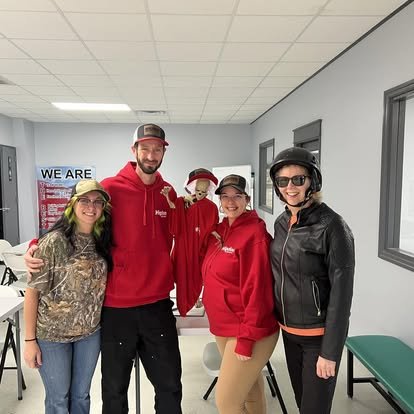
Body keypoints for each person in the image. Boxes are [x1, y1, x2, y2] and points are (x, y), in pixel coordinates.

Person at [24, 124, 182, 414]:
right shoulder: (110, 188)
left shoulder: (167, 193)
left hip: (157, 305)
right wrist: (37, 244)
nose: (151, 155)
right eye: (145, 148)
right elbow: (74, 219)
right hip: (116, 308)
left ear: (163, 152)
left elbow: (188, 233)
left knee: (170, 386)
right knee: (113, 390)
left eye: (157, 149)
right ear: (134, 150)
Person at [268, 147, 355, 414]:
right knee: (302, 403)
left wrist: (330, 352)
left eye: (298, 179)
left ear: (312, 182)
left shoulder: (332, 226)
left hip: (318, 338)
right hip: (289, 333)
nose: (290, 187)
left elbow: (342, 296)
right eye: (282, 181)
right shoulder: (281, 222)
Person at [23, 179, 112, 414]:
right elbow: (32, 293)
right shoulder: (54, 241)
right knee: (58, 400)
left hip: (89, 334)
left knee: (81, 396)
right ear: (72, 204)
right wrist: (30, 341)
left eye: (98, 202)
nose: (91, 207)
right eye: (84, 200)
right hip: (52, 336)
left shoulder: (103, 241)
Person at [201, 174, 279, 414]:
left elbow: (258, 290)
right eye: (225, 196)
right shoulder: (220, 230)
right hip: (223, 326)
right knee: (250, 393)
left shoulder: (255, 235)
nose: (230, 202)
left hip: (248, 330)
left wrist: (246, 340)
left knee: (227, 403)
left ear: (247, 199)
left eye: (237, 196)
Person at [161, 168, 219, 316]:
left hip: (199, 249)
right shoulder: (185, 202)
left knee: (197, 276)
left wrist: (213, 233)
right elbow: (174, 211)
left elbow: (212, 225)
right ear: (193, 187)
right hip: (183, 246)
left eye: (204, 191)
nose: (200, 194)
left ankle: (196, 299)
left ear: (208, 190)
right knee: (182, 275)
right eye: (198, 190)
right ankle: (185, 303)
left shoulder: (211, 207)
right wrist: (167, 197)